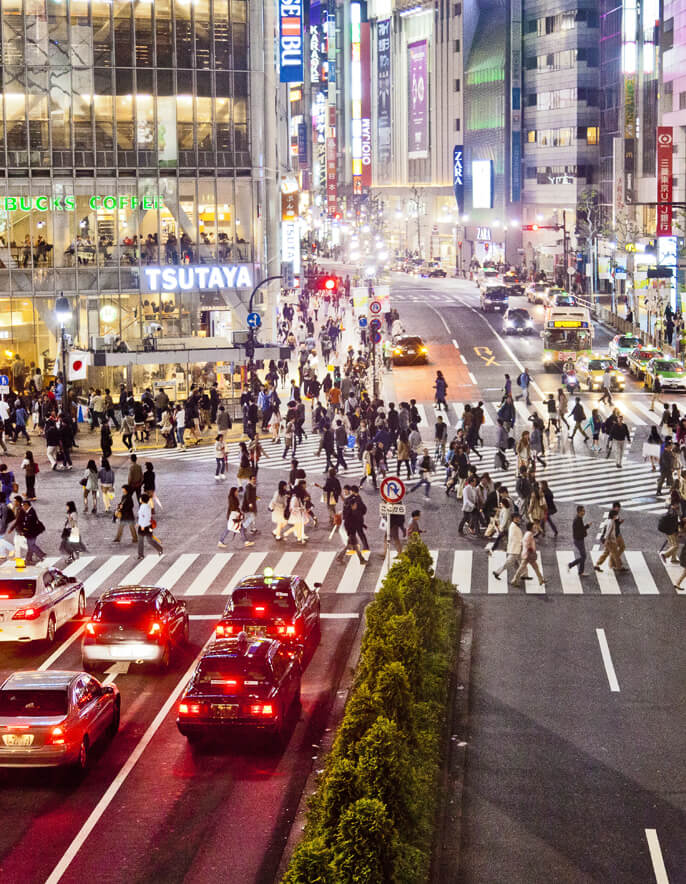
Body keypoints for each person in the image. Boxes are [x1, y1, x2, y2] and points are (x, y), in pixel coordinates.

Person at [512, 521, 546, 587]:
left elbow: (523, 542)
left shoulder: (527, 533)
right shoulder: (529, 534)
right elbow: (527, 544)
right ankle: (514, 580)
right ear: (531, 528)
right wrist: (530, 550)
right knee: (521, 568)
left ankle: (541, 579)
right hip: (528, 555)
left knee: (535, 567)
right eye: (534, 527)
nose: (535, 528)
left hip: (528, 554)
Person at [492, 512, 523, 581]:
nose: (518, 519)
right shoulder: (513, 527)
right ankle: (497, 572)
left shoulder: (515, 525)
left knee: (517, 563)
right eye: (517, 518)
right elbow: (514, 538)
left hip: (515, 548)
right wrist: (521, 543)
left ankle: (521, 575)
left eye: (518, 517)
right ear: (513, 519)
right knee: (509, 563)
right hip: (514, 549)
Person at [19, 498, 46, 564]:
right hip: (31, 532)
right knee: (30, 545)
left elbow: (29, 525)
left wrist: (24, 531)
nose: (22, 507)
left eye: (23, 506)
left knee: (31, 545)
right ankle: (28, 559)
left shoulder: (31, 513)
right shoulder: (29, 511)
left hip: (32, 532)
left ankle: (40, 555)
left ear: (26, 505)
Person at [137, 492, 163, 558]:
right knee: (143, 540)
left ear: (142, 500)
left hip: (145, 526)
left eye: (140, 498)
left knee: (147, 540)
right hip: (145, 526)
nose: (139, 499)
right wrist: (139, 523)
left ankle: (159, 549)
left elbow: (145, 517)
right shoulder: (145, 506)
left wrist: (142, 525)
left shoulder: (144, 507)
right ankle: (140, 554)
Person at [568, 505, 590, 576]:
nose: (584, 512)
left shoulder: (579, 518)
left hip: (579, 540)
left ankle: (581, 571)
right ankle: (571, 565)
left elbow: (580, 529)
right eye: (583, 511)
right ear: (579, 511)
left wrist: (586, 526)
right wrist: (587, 526)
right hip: (578, 540)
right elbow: (579, 531)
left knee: (583, 556)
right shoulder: (577, 520)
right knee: (584, 556)